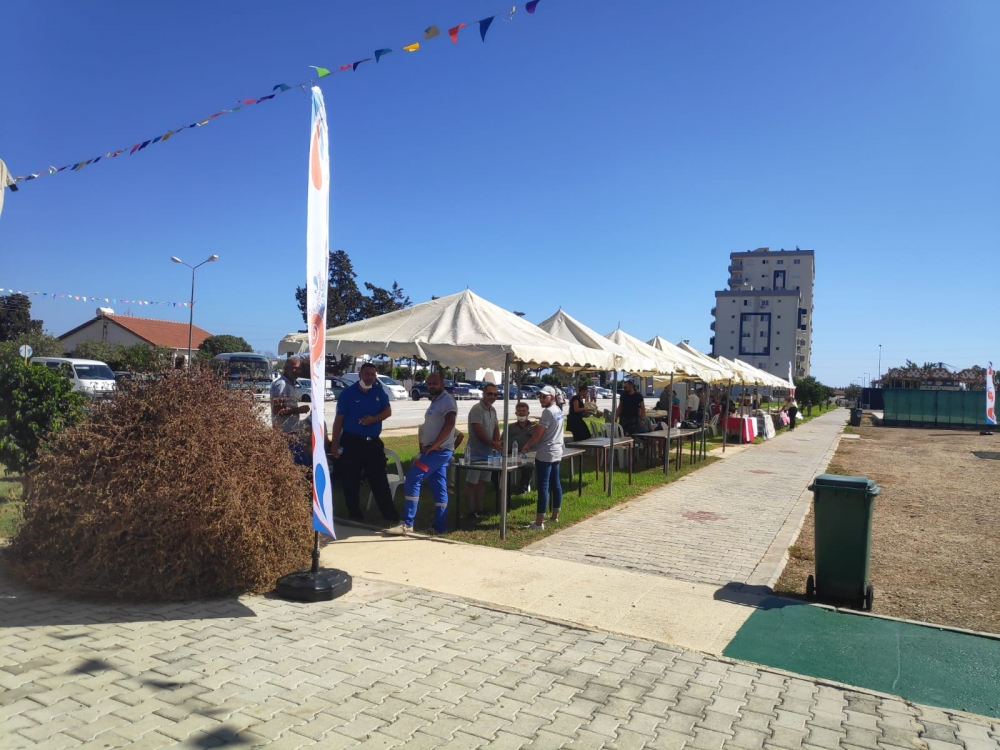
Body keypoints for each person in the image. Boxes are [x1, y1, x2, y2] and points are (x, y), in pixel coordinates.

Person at [329, 362, 401, 528]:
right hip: (352, 442)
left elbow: (387, 411)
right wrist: (334, 444)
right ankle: (355, 515)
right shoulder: (348, 394)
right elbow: (339, 420)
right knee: (351, 481)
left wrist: (373, 420)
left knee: (379, 480)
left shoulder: (378, 391)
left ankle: (390, 516)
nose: (370, 377)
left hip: (373, 443)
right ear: (360, 374)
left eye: (373, 375)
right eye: (367, 374)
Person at [392, 372, 458, 535]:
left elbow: (450, 422)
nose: (431, 386)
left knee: (413, 478)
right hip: (436, 451)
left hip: (438, 452)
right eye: (429, 383)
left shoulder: (447, 400)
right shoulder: (436, 400)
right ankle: (439, 527)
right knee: (439, 487)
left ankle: (407, 523)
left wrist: (436, 444)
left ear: (442, 383)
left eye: (434, 383)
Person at [521, 385, 563, 530]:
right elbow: (548, 430)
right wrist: (539, 428)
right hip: (557, 450)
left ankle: (539, 522)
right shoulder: (558, 410)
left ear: (552, 397)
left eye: (544, 396)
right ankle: (555, 516)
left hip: (546, 452)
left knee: (543, 486)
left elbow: (538, 437)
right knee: (555, 483)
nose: (541, 399)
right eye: (540, 396)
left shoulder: (547, 412)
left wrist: (527, 446)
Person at [464, 383, 502, 519]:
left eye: (495, 394)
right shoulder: (476, 409)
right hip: (475, 454)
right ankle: (469, 511)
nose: (492, 396)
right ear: (483, 394)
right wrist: (492, 444)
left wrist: (496, 442)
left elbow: (496, 427)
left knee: (482, 484)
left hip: (487, 455)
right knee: (472, 484)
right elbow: (478, 430)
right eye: (490, 393)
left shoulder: (493, 410)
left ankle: (479, 508)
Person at [270, 357, 310, 464]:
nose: (297, 371)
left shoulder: (290, 384)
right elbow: (277, 410)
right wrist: (298, 410)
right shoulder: (281, 385)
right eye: (294, 368)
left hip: (292, 431)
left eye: (299, 369)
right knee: (302, 463)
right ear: (285, 368)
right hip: (285, 432)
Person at [501, 402, 535, 494]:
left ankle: (523, 488)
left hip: (528, 455)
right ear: (516, 413)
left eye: (524, 411)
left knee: (528, 467)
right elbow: (502, 441)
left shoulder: (534, 427)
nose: (521, 413)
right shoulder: (510, 427)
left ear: (528, 413)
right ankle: (504, 488)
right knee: (501, 466)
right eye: (519, 411)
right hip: (510, 454)